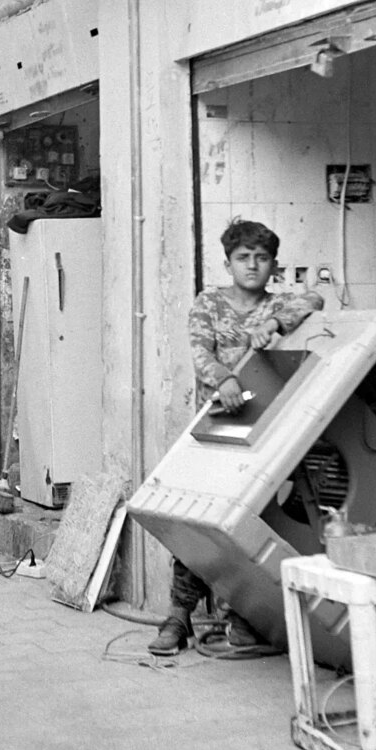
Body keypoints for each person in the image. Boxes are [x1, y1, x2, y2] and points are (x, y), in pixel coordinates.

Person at [148, 218, 324, 655]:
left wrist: (279, 323)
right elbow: (199, 353)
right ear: (228, 263)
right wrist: (223, 377)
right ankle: (178, 617)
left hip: (263, 435)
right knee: (197, 525)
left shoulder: (274, 306)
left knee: (251, 528)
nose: (252, 266)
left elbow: (315, 297)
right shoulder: (209, 304)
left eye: (262, 259)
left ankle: (243, 616)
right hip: (214, 430)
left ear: (273, 266)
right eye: (243, 258)